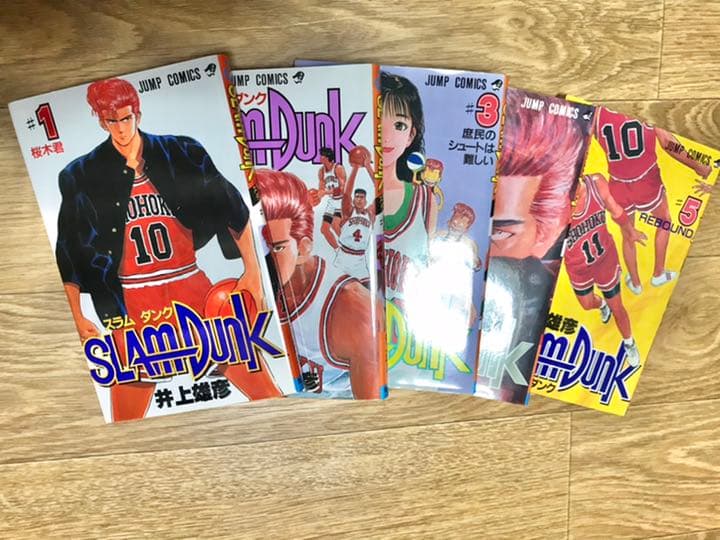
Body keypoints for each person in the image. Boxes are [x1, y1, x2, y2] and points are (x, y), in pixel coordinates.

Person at [57, 78, 277, 420]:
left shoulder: (181, 153)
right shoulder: (81, 174)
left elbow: (233, 207)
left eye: (126, 118)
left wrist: (252, 271)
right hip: (131, 301)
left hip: (190, 287)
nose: (121, 128)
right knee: (125, 419)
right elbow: (69, 248)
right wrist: (76, 314)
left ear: (138, 114)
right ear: (100, 121)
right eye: (112, 121)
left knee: (265, 391)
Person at [256, 168, 383, 399]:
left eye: (276, 247)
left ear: (303, 248)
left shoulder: (352, 308)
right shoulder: (238, 293)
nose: (261, 260)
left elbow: (370, 412)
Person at [594, 108, 712, 294]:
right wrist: (698, 166)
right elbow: (667, 143)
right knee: (665, 221)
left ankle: (635, 283)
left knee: (628, 234)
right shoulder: (645, 109)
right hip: (647, 181)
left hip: (618, 183)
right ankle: (658, 273)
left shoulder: (597, 113)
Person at [564, 174, 647, 366]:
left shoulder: (596, 184)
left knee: (617, 307)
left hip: (604, 260)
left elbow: (616, 211)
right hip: (578, 267)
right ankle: (602, 305)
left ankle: (629, 342)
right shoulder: (551, 204)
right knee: (586, 304)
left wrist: (631, 231)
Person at [381, 71, 438, 303]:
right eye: (377, 120)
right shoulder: (346, 197)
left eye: (399, 125)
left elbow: (430, 268)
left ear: (410, 135)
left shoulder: (423, 199)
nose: (386, 136)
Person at [333, 153, 376, 278]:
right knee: (339, 289)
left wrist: (368, 166)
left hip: (360, 259)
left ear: (366, 201)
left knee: (367, 289)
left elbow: (379, 190)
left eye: (362, 197)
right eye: (357, 197)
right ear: (353, 200)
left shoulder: (370, 214)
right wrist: (355, 168)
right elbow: (347, 193)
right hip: (344, 257)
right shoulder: (348, 211)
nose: (359, 199)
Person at [316, 146, 347, 249]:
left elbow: (343, 189)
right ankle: (338, 251)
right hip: (332, 202)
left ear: (326, 157)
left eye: (321, 156)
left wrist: (326, 192)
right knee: (324, 229)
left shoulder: (338, 168)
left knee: (335, 225)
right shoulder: (321, 171)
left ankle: (348, 247)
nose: (320, 158)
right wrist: (316, 196)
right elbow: (321, 189)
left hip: (342, 200)